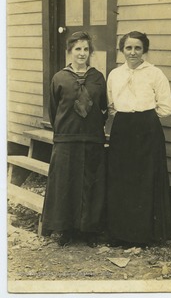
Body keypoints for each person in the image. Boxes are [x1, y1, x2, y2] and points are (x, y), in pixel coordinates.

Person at [107, 31, 171, 247]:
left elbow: (166, 108)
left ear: (144, 50)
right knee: (122, 179)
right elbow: (111, 105)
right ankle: (121, 234)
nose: (133, 52)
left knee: (145, 180)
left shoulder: (155, 74)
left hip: (147, 130)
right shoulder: (115, 75)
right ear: (122, 50)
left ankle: (143, 235)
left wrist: (145, 118)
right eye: (128, 48)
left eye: (137, 48)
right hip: (122, 130)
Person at [41, 31, 107, 247]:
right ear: (69, 51)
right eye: (77, 49)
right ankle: (65, 229)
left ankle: (89, 230)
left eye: (86, 49)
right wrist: (64, 130)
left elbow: (102, 107)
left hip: (92, 138)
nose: (82, 53)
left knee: (90, 184)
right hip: (67, 138)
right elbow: (53, 110)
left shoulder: (97, 77)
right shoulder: (59, 78)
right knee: (65, 184)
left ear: (90, 52)